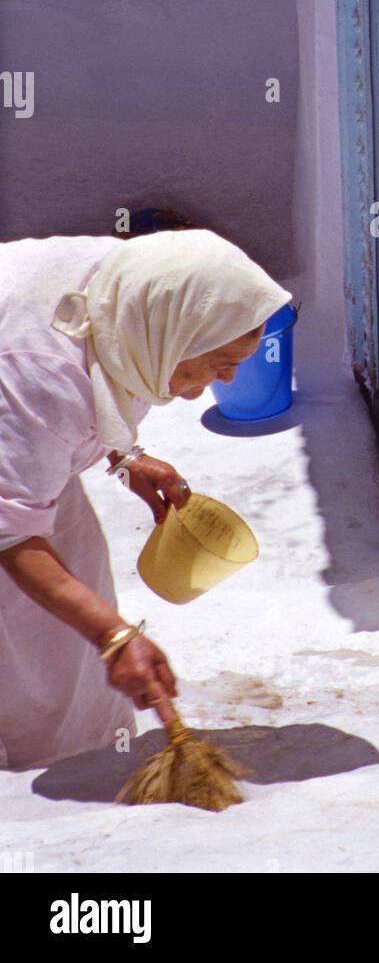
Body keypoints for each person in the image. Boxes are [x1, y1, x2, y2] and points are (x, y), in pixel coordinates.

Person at [0, 228, 291, 770]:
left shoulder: (138, 294)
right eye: (218, 360)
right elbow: (11, 532)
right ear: (175, 335)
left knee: (65, 613)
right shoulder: (38, 367)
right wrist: (113, 637)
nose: (223, 379)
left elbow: (100, 373)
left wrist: (123, 455)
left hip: (18, 458)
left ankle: (67, 753)